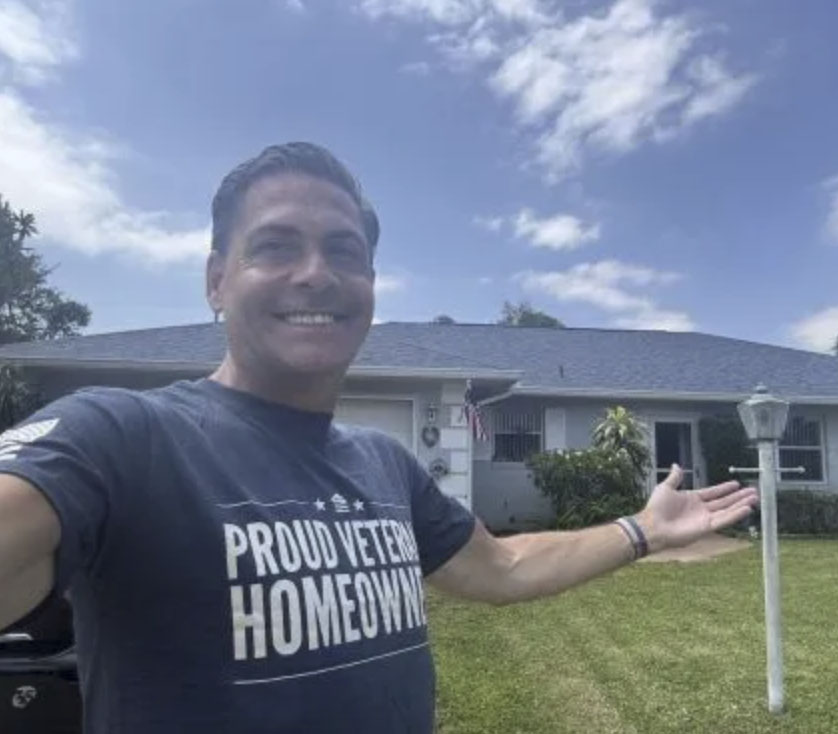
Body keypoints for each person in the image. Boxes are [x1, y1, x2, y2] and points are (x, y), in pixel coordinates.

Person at [0, 142, 758, 733]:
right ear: (215, 279)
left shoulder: (382, 464)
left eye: (343, 251)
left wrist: (643, 530)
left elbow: (501, 566)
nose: (315, 273)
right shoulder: (126, 434)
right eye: (274, 247)